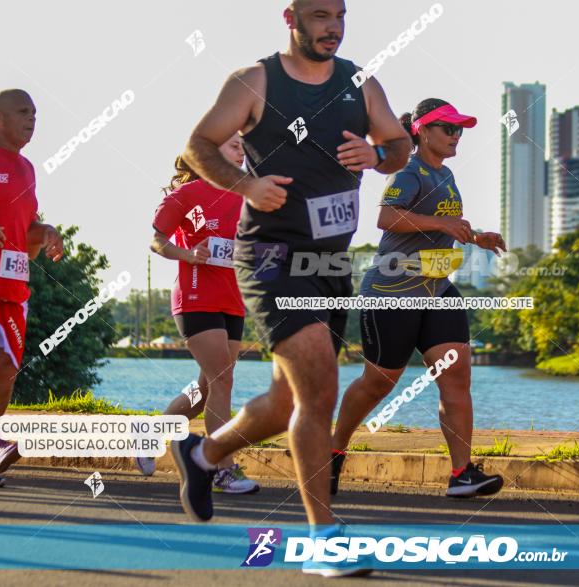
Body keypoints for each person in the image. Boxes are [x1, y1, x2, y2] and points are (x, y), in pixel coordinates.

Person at [171, 0, 410, 577]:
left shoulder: (361, 82)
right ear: (291, 17)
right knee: (320, 390)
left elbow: (400, 146)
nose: (334, 26)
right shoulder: (255, 81)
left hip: (328, 261)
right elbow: (198, 145)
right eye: (322, 15)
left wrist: (377, 155)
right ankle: (325, 538)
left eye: (342, 16)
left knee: (286, 402)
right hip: (272, 257)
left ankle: (202, 455)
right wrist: (245, 183)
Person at [328, 99, 505, 499]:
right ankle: (332, 451)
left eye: (460, 130)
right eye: (448, 129)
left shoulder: (446, 175)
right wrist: (441, 222)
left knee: (456, 376)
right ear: (424, 131)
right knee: (378, 383)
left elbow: (445, 225)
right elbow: (386, 217)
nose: (456, 136)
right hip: (392, 291)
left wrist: (477, 237)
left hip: (437, 290)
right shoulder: (408, 173)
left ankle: (462, 473)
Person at [136, 135, 258, 494]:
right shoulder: (186, 196)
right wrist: (189, 253)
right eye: (233, 145)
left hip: (234, 300)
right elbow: (157, 240)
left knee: (207, 389)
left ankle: (151, 434)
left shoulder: (247, 196)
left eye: (243, 146)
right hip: (195, 297)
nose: (242, 151)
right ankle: (222, 467)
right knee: (223, 380)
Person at [0, 89, 63, 487]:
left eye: (35, 113)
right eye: (23, 112)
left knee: (4, 372)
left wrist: (49, 232)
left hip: (12, 288)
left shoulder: (26, 169)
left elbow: (25, 229)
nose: (32, 119)